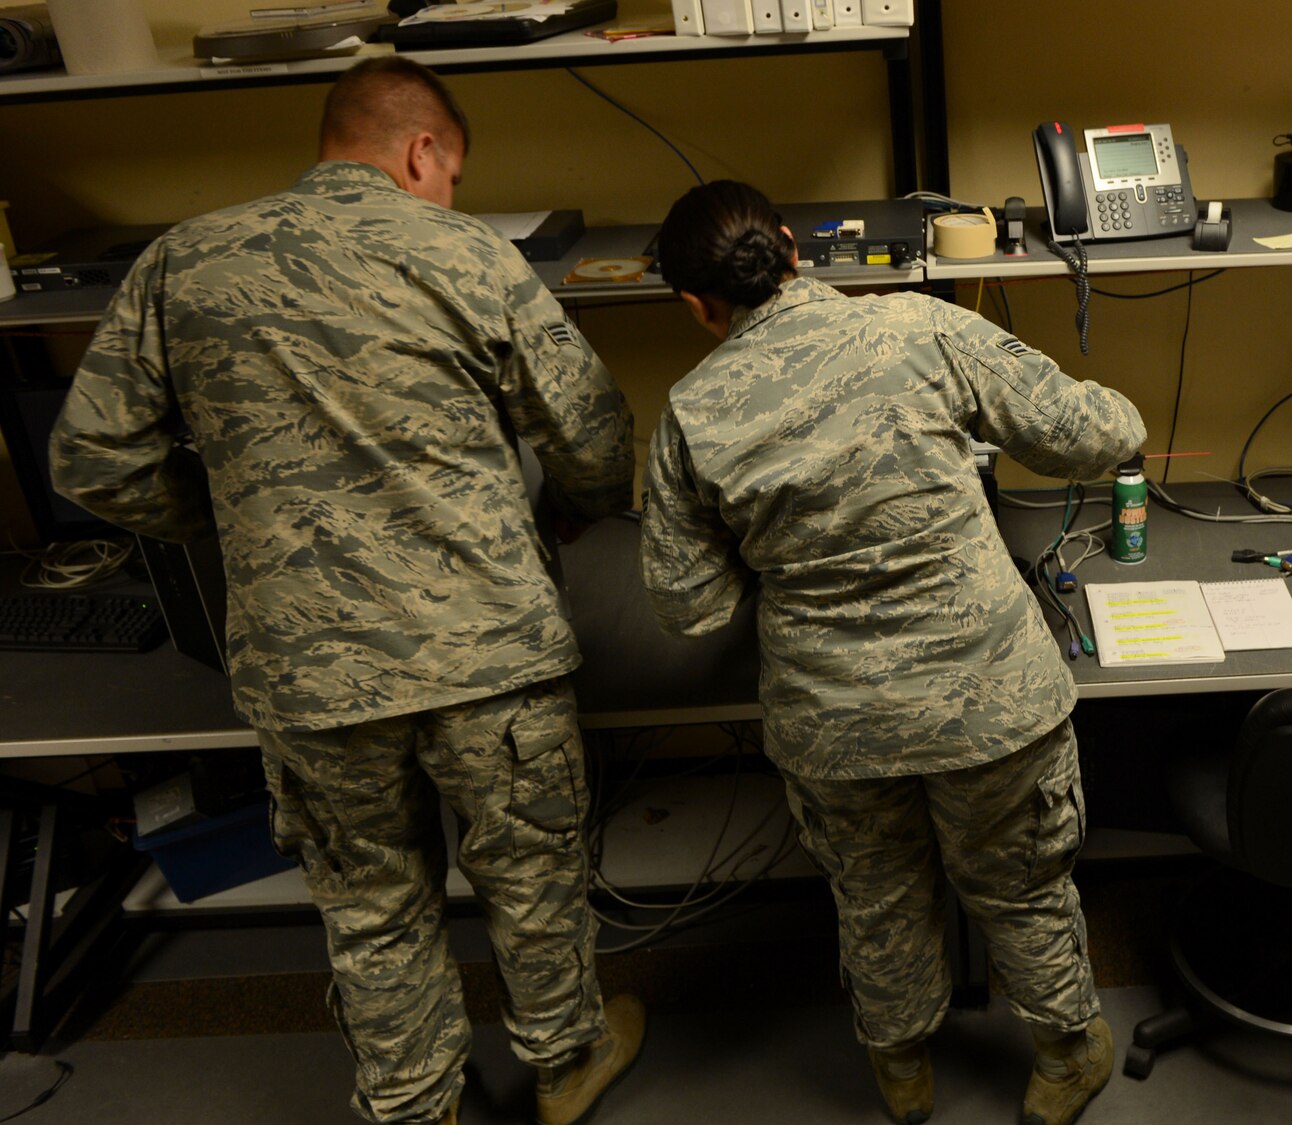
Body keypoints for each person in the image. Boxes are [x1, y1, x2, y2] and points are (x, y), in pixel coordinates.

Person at [49, 57, 641, 1125]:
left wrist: (235, 507)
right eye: (451, 174)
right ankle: (566, 1062)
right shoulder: (469, 255)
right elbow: (595, 440)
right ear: (422, 152)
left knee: (369, 899)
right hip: (485, 655)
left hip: (311, 670)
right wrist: (571, 508)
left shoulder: (184, 263)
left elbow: (91, 461)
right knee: (531, 872)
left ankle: (414, 1102)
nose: (450, 194)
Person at [640, 180, 1145, 1125]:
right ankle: (1068, 1053)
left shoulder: (689, 416)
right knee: (1021, 883)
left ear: (694, 304)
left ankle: (904, 1076)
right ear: (793, 246)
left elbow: (689, 606)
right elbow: (1101, 436)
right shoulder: (919, 328)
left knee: (876, 897)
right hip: (989, 697)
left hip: (838, 723)